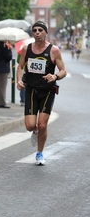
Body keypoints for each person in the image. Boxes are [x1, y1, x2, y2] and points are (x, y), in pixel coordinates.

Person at [16, 20, 67, 165]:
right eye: (35, 30)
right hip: (31, 90)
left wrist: (55, 76)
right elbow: (20, 67)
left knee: (43, 124)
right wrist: (19, 80)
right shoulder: (27, 49)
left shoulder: (53, 50)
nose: (37, 33)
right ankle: (36, 131)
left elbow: (63, 70)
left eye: (40, 30)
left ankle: (39, 153)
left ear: (45, 32)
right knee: (30, 126)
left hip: (47, 91)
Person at [0, 40, 12, 108]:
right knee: (2, 86)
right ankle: (1, 102)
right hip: (2, 69)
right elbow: (8, 57)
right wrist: (9, 50)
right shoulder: (4, 47)